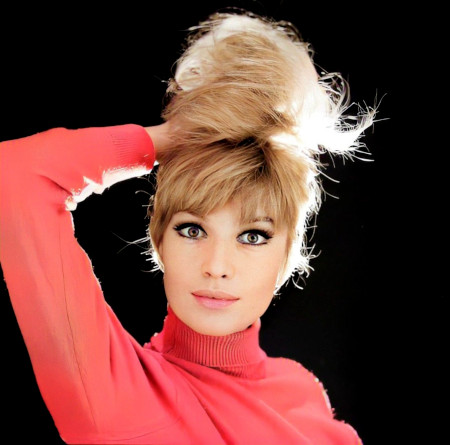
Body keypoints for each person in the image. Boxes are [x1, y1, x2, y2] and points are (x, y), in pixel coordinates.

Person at [0, 9, 375, 445]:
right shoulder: (116, 399)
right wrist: (178, 137)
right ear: (158, 239)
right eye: (192, 230)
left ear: (288, 253)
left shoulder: (302, 392)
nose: (216, 266)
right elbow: (15, 176)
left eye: (253, 236)